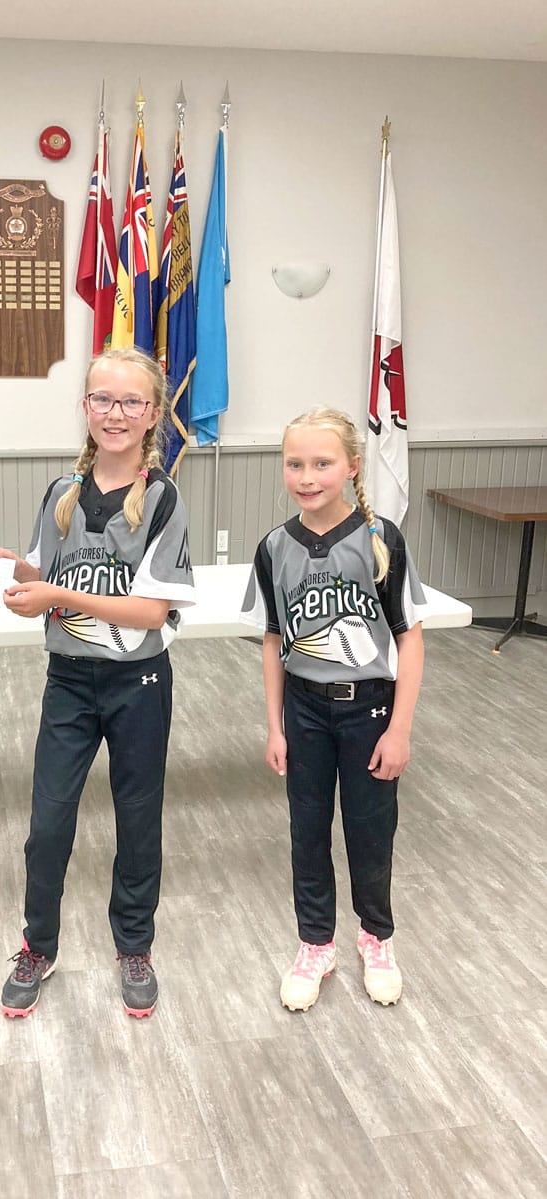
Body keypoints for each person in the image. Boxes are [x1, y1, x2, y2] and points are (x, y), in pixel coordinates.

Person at [0, 348, 196, 1019]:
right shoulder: (62, 493)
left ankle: (134, 946)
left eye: (131, 401)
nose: (115, 412)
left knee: (138, 821)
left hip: (139, 682)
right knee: (48, 822)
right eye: (103, 399)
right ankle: (38, 945)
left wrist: (55, 594)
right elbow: (46, 578)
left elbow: (151, 612)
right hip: (70, 682)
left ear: (152, 414)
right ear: (85, 407)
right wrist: (16, 569)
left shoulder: (162, 499)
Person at [243, 408, 425, 1012]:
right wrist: (274, 726)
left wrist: (400, 729)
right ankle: (315, 944)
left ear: (351, 466)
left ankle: (376, 938)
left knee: (371, 832)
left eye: (322, 463)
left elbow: (409, 639)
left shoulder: (380, 540)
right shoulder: (274, 547)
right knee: (308, 831)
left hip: (369, 711)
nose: (307, 476)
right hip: (304, 711)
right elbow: (273, 639)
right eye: (294, 464)